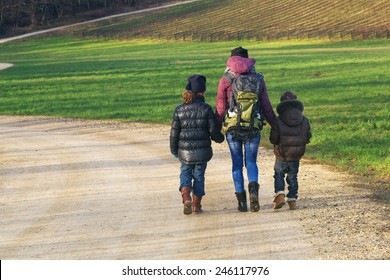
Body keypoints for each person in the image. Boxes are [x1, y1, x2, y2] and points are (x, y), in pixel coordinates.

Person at [215, 47, 276, 212]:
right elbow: (266, 106)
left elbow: (220, 107)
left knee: (236, 165)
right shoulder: (258, 78)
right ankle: (254, 191)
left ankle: (241, 201)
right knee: (251, 162)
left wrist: (215, 127)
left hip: (233, 128)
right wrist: (275, 124)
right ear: (248, 60)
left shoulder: (225, 80)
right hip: (253, 127)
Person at [170, 74, 224, 215]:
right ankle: (196, 205)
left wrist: (174, 150)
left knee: (185, 173)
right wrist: (220, 138)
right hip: (202, 153)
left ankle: (186, 195)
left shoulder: (179, 109)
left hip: (184, 152)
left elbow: (174, 133)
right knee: (199, 176)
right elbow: (213, 131)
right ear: (202, 92)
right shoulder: (206, 108)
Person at [269, 91, 312, 210]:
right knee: (293, 176)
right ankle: (292, 199)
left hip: (281, 154)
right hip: (296, 155)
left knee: (279, 174)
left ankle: (280, 194)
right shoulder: (304, 120)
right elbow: (308, 136)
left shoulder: (278, 120)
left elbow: (274, 139)